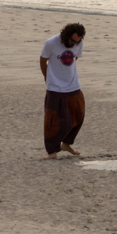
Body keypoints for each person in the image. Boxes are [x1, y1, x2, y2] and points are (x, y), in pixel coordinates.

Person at [39, 23, 86, 158]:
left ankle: (66, 144)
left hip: (73, 85)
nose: (74, 43)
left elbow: (74, 58)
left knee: (78, 116)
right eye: (72, 41)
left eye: (77, 41)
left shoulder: (79, 42)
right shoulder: (51, 43)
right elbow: (43, 61)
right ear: (66, 36)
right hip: (55, 87)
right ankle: (52, 151)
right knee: (53, 120)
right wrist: (47, 77)